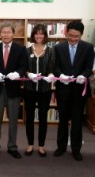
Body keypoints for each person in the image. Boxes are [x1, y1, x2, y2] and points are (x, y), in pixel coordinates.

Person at [53, 21, 94, 161]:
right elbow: (55, 67)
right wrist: (61, 75)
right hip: (63, 90)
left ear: (81, 35)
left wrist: (84, 75)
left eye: (76, 36)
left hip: (79, 90)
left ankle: (76, 150)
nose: (73, 39)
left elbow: (89, 66)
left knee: (77, 121)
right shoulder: (58, 48)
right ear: (66, 32)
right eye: (70, 35)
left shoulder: (88, 47)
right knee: (62, 120)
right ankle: (61, 147)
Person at [0, 23, 27, 159]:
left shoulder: (20, 49)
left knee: (13, 121)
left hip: (13, 90)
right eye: (3, 32)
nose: (6, 35)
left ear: (13, 34)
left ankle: (12, 146)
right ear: (0, 34)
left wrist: (17, 73)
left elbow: (24, 66)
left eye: (8, 32)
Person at [23, 24, 55, 157]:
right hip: (29, 89)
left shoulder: (51, 50)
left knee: (43, 118)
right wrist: (28, 74)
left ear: (45, 35)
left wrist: (51, 76)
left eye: (41, 33)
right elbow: (23, 67)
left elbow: (53, 67)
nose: (39, 36)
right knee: (29, 118)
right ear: (33, 34)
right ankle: (30, 144)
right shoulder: (27, 50)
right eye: (36, 33)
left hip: (45, 90)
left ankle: (41, 146)